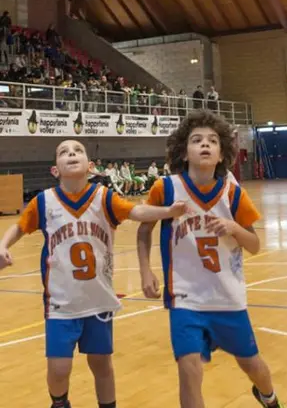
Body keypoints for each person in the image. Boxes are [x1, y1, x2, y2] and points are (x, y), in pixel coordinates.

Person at [0, 139, 187, 408]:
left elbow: (137, 211)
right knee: (59, 368)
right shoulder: (44, 202)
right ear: (55, 170)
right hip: (60, 302)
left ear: (90, 166)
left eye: (77, 150)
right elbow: (19, 226)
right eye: (63, 152)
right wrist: (3, 245)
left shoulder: (103, 197)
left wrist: (167, 211)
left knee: (101, 363)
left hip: (98, 300)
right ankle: (59, 401)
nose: (71, 154)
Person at [137, 110, 285, 408]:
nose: (205, 145)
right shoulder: (165, 189)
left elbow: (254, 245)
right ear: (184, 151)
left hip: (227, 298)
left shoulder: (233, 194)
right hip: (185, 298)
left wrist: (234, 228)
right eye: (196, 140)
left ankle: (268, 397)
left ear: (221, 154)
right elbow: (144, 231)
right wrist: (145, 271)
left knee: (252, 365)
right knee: (188, 367)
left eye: (212, 141)